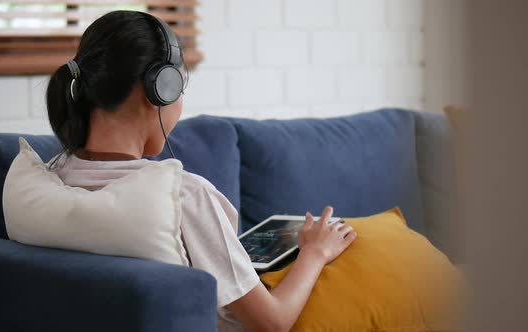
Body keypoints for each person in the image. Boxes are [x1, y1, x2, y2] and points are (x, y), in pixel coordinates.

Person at [44, 11, 357, 332]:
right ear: (159, 89)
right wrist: (315, 253)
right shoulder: (182, 196)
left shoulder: (50, 182)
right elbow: (273, 323)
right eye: (179, 88)